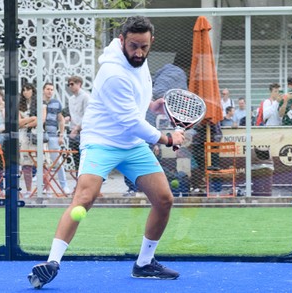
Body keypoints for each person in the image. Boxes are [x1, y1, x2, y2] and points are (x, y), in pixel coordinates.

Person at [27, 16, 184, 289]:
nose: (138, 52)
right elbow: (131, 122)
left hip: (132, 145)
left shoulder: (139, 63)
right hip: (101, 141)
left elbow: (135, 103)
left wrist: (152, 105)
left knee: (164, 199)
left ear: (151, 43)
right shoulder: (112, 73)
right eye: (133, 46)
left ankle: (145, 264)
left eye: (144, 47)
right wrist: (167, 138)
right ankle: (51, 263)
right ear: (122, 40)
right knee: (84, 198)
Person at [18, 83, 47, 198]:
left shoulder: (41, 103)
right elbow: (18, 122)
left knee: (42, 162)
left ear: (33, 90)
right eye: (23, 90)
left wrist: (26, 123)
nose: (26, 92)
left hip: (37, 135)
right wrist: (32, 119)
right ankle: (28, 190)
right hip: (24, 137)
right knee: (26, 164)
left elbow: (41, 120)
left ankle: (45, 188)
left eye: (28, 89)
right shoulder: (20, 106)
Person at [43, 82, 71, 196]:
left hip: (53, 136)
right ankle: (45, 187)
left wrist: (61, 135)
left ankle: (64, 186)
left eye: (52, 89)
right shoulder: (39, 102)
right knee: (43, 163)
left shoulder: (56, 103)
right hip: (40, 137)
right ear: (43, 90)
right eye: (48, 89)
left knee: (58, 162)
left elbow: (61, 119)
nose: (50, 91)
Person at [65, 76, 90, 172]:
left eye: (72, 84)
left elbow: (87, 115)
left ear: (79, 84)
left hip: (83, 132)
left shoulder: (86, 96)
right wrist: (69, 119)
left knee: (84, 158)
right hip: (73, 132)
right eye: (69, 84)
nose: (70, 86)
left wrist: (77, 128)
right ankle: (78, 181)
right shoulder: (71, 99)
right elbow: (75, 115)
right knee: (76, 158)